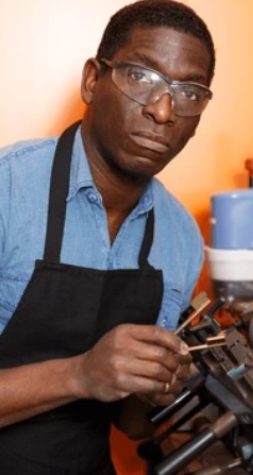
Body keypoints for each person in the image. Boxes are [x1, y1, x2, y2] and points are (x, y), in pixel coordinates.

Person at [0, 0, 215, 473]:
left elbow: (132, 424)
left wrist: (161, 385)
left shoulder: (180, 238)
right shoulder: (8, 191)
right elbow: (90, 379)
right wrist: (81, 374)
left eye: (189, 92)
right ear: (93, 80)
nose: (163, 111)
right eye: (142, 76)